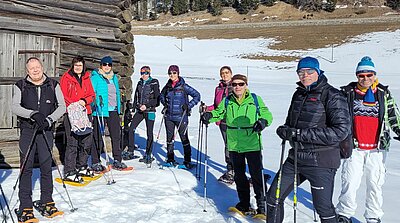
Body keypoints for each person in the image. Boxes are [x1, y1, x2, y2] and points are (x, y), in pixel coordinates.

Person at [267, 56, 350, 223]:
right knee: (272, 199)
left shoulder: (333, 95)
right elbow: (291, 124)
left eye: (309, 71)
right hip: (296, 158)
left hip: (321, 160)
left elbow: (340, 131)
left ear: (318, 72)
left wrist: (299, 134)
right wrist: (284, 130)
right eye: (301, 72)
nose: (305, 75)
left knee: (323, 208)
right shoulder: (299, 94)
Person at [336, 56, 400, 223]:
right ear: (357, 76)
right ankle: (344, 213)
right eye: (361, 75)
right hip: (354, 146)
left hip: (377, 148)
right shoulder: (347, 93)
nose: (365, 79)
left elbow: (393, 115)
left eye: (369, 75)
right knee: (350, 181)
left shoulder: (383, 93)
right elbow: (336, 116)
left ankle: (373, 216)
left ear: (374, 75)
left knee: (375, 184)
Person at [201, 74, 273, 216]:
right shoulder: (227, 101)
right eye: (234, 84)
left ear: (246, 85)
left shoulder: (255, 100)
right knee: (239, 176)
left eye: (240, 84)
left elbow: (267, 114)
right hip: (234, 144)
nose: (237, 87)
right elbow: (219, 113)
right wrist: (209, 116)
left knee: (257, 176)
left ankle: (262, 206)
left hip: (253, 143)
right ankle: (244, 204)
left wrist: (263, 121)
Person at [12, 57, 66, 222]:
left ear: (42, 67)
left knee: (45, 166)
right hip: (28, 131)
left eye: (37, 67)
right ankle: (25, 206)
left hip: (46, 131)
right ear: (27, 71)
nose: (35, 70)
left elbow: (62, 106)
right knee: (26, 168)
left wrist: (49, 120)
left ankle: (47, 201)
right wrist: (32, 114)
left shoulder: (53, 85)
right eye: (31, 68)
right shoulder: (20, 85)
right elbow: (15, 107)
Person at [60, 56, 95, 182]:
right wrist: (75, 105)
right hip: (72, 113)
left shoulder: (86, 77)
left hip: (86, 112)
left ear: (83, 66)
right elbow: (63, 95)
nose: (78, 67)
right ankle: (69, 170)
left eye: (80, 65)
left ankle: (82, 166)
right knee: (73, 142)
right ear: (72, 66)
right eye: (76, 65)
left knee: (86, 141)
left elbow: (91, 95)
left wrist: (85, 101)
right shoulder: (66, 78)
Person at [160, 65, 200, 169]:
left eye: (174, 73)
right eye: (170, 73)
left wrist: (188, 106)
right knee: (169, 139)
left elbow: (197, 95)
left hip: (181, 117)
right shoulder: (167, 86)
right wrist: (166, 105)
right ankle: (170, 159)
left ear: (178, 74)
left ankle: (187, 161)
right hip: (169, 117)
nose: (172, 75)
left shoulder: (183, 86)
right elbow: (161, 96)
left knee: (184, 139)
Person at [91, 56, 127, 171]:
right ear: (101, 65)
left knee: (116, 136)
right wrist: (95, 101)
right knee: (98, 137)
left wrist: (119, 107)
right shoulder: (95, 77)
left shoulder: (114, 77)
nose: (107, 67)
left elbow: (116, 93)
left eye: (109, 65)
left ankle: (117, 159)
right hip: (100, 111)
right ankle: (95, 161)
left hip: (113, 110)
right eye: (105, 64)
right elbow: (92, 93)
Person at [204, 66, 235, 184]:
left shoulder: (237, 86)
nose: (224, 75)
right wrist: (207, 109)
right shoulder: (218, 88)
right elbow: (217, 106)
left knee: (234, 147)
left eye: (227, 73)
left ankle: (236, 171)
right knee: (228, 146)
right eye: (222, 73)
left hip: (234, 122)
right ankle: (231, 170)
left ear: (231, 74)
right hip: (223, 122)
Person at [127, 66, 160, 164]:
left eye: (146, 73)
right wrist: (135, 107)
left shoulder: (154, 82)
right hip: (140, 111)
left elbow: (157, 100)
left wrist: (147, 105)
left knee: (149, 132)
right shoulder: (140, 83)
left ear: (149, 73)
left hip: (150, 111)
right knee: (131, 128)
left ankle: (148, 154)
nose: (144, 75)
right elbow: (136, 96)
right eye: (142, 73)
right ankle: (130, 151)